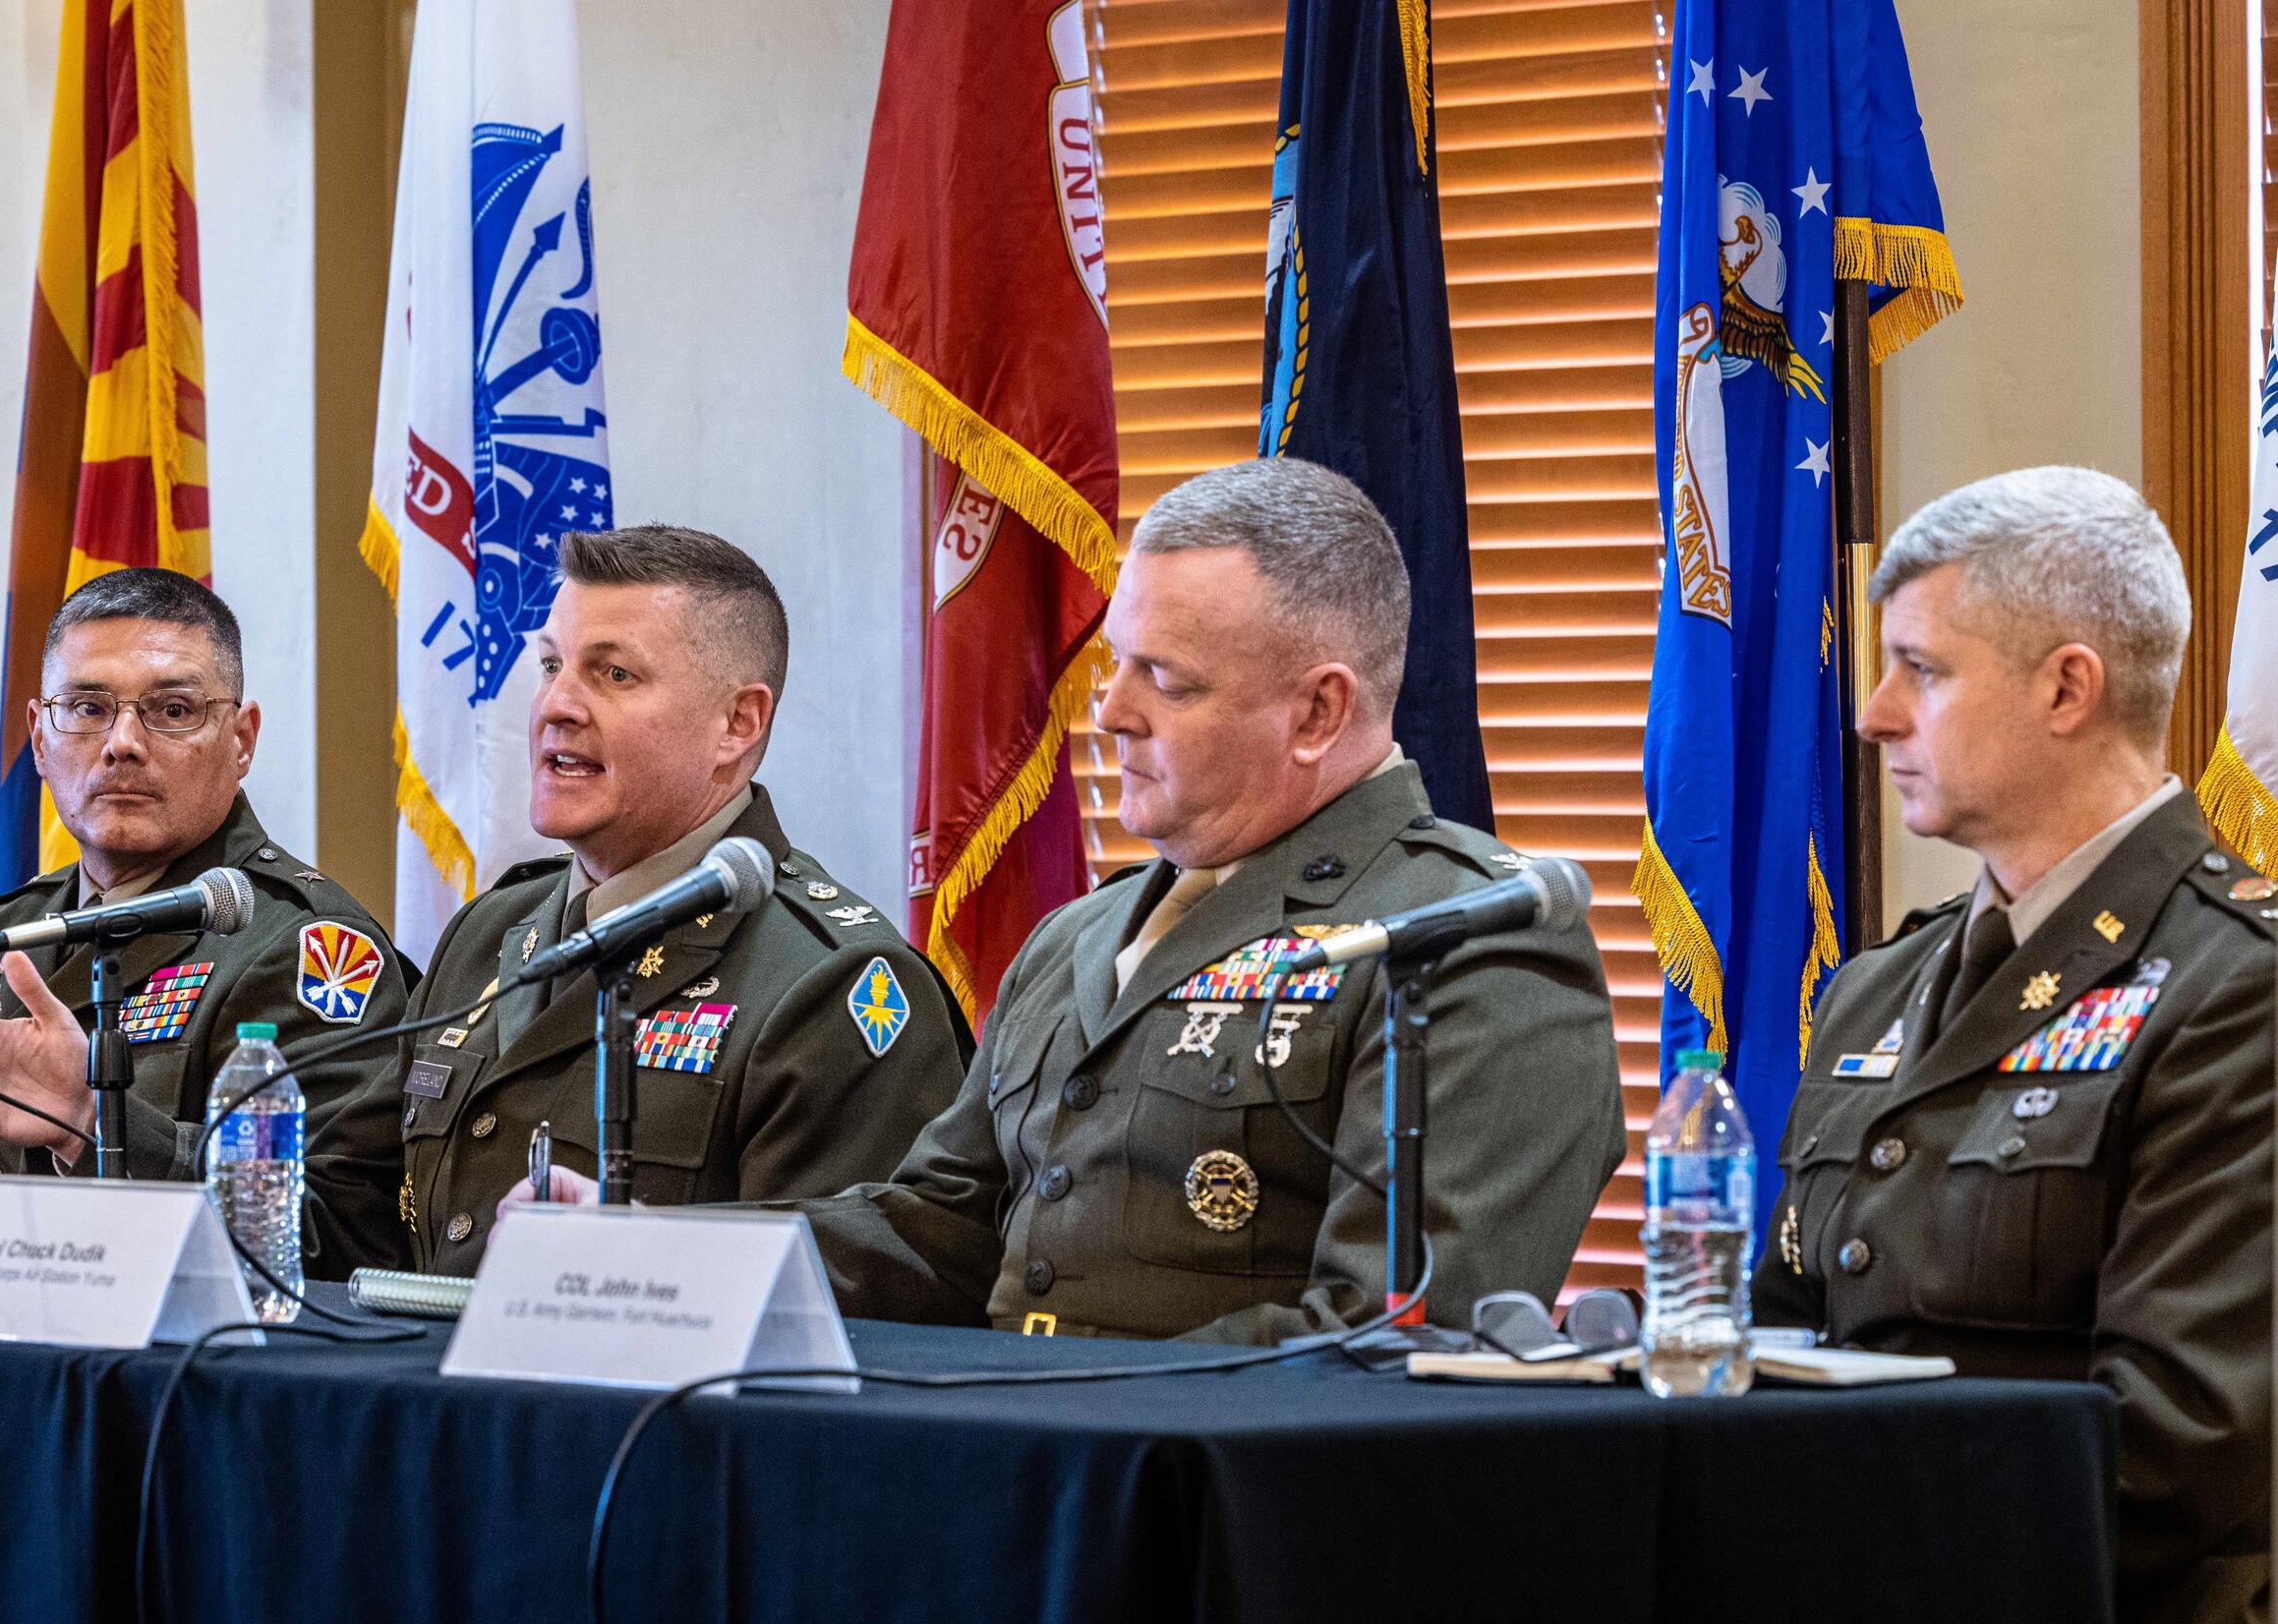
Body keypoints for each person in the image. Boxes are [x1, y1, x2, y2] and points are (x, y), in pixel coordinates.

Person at [513, 460, 1626, 1343]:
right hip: (1030, 1503)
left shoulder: (1473, 938)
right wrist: (651, 1254)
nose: (1110, 715)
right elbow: (934, 1231)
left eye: (1167, 680)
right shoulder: (1078, 936)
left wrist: (1059, 1408)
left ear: (1318, 711)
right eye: (1114, 666)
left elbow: (1390, 1331)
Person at [1752, 467, 2269, 1624]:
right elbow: (1780, 1328)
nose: (1873, 713)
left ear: (2067, 687)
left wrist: (1799, 1528)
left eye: (1921, 669)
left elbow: (2177, 1443)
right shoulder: (1877, 986)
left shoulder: (2239, 984)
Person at [299, 525, 968, 1276]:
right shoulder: (490, 932)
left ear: (736, 724)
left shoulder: (830, 980)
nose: (556, 704)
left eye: (613, 674)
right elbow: (353, 1215)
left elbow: (882, 1282)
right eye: (551, 665)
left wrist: (647, 1256)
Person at [0, 569, 406, 1253]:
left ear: (242, 739)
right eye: (87, 708)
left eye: (172, 710)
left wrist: (94, 1123)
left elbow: (340, 1236)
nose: (122, 742)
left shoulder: (306, 947)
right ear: (39, 737)